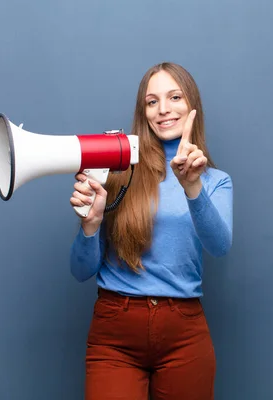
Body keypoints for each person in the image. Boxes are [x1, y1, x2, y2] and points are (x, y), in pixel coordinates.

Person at [68, 62, 233, 400]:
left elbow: (219, 246)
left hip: (184, 334)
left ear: (192, 107)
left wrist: (192, 187)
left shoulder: (215, 182)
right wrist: (90, 225)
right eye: (152, 101)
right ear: (143, 113)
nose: (164, 110)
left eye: (174, 97)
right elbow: (80, 271)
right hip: (115, 334)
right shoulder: (118, 173)